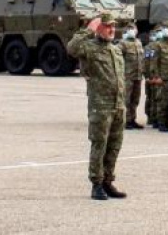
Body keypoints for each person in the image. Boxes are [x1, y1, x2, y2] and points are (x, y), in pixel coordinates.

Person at [66, 14, 127, 201]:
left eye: (113, 26)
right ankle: (97, 184)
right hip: (100, 106)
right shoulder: (89, 48)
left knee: (114, 146)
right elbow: (71, 48)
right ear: (99, 28)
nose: (111, 29)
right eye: (107, 26)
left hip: (118, 105)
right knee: (99, 145)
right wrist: (89, 29)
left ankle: (108, 181)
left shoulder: (116, 50)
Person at [117, 22, 144, 130]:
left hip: (137, 76)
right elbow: (118, 60)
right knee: (126, 99)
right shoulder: (122, 44)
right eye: (130, 29)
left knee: (135, 99)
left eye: (134, 28)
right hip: (127, 76)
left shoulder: (138, 43)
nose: (132, 30)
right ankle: (125, 120)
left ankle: (132, 119)